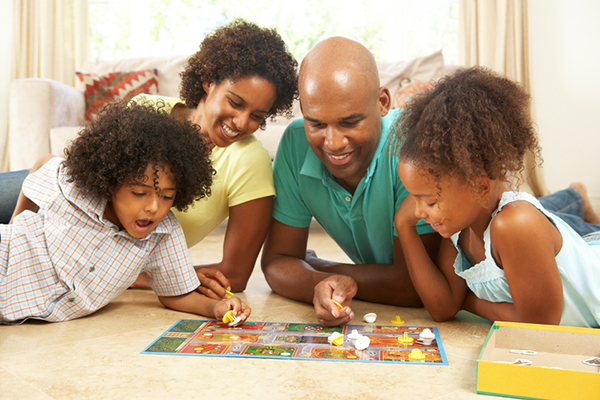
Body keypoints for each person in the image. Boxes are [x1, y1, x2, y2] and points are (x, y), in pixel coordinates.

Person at [0, 102, 250, 324]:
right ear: (111, 183)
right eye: (139, 194)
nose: (153, 207)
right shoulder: (76, 189)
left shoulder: (163, 234)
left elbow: (176, 293)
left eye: (166, 196)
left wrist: (215, 307)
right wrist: (15, 223)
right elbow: (45, 163)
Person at [393, 67, 600, 328]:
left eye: (430, 201)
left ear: (480, 188)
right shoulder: (459, 229)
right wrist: (403, 227)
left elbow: (540, 326)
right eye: (414, 198)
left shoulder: (516, 225)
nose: (419, 211)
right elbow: (442, 307)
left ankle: (578, 200)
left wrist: (466, 300)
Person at [260, 36, 440, 327]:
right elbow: (277, 263)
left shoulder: (412, 147)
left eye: (350, 122)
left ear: (383, 102)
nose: (332, 143)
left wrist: (318, 266)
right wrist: (319, 284)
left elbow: (414, 286)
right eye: (316, 123)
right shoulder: (295, 143)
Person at [121, 19, 298, 298]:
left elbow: (236, 275)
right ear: (208, 81)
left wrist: (138, 276)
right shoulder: (145, 110)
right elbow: (64, 185)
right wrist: (175, 275)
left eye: (257, 116)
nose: (241, 123)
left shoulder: (249, 160)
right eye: (236, 103)